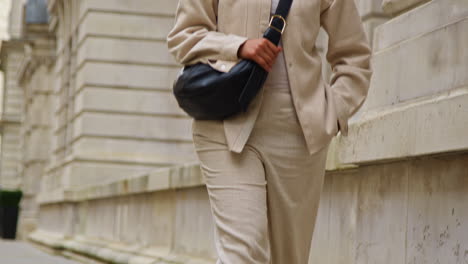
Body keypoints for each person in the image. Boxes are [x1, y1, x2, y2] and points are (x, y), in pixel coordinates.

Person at [167, 0, 372, 263]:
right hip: (225, 123)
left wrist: (332, 111)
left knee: (288, 258)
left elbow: (354, 56)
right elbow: (184, 36)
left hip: (300, 133)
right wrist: (238, 46)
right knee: (242, 253)